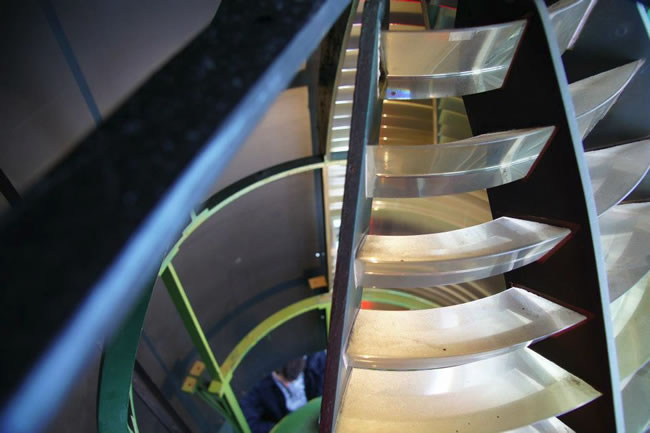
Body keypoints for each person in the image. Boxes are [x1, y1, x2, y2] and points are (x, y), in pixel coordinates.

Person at [240, 351, 326, 433]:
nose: (287, 385)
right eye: (282, 381)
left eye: (294, 381)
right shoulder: (253, 382)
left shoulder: (318, 361)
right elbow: (249, 422)